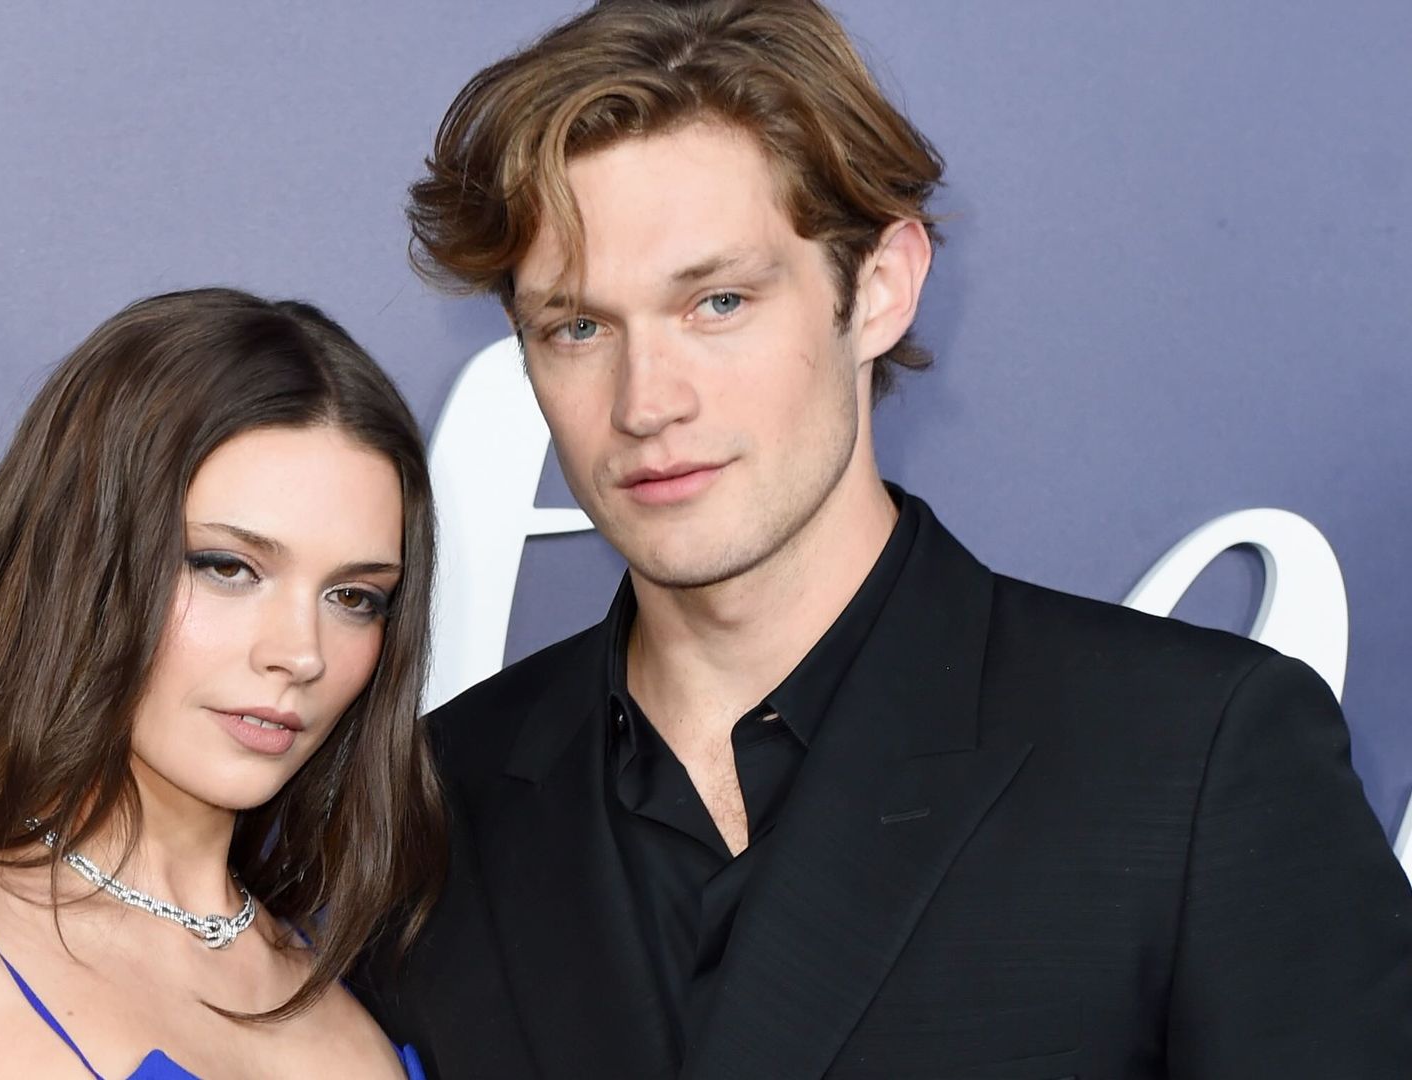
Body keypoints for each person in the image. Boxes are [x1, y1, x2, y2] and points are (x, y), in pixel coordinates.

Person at [361, 2, 1412, 1078]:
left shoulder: (1196, 759)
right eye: (578, 328)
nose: (645, 403)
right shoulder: (430, 810)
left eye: (717, 302)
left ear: (879, 289)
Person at [0, 288, 440, 1079]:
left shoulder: (356, 1019)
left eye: (354, 597)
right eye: (228, 568)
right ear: (85, 566)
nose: (300, 653)